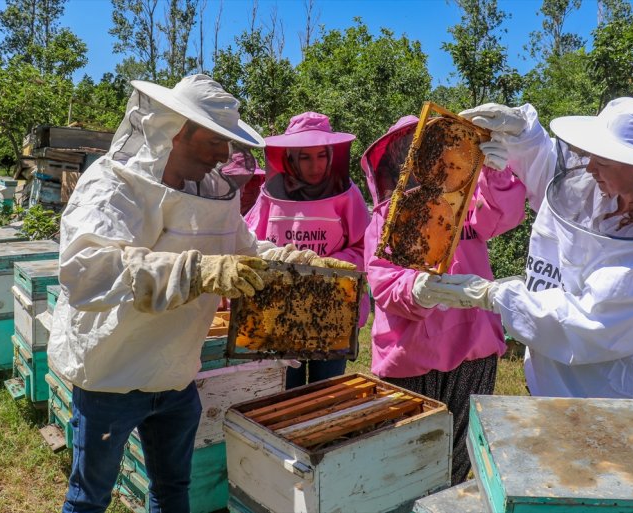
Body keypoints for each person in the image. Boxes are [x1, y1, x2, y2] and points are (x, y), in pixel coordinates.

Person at [47, 75, 351, 513]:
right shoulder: (113, 186)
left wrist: (298, 262)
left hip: (175, 372)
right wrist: (197, 270)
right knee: (89, 498)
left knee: (173, 490)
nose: (223, 155)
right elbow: (87, 270)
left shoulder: (212, 191)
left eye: (227, 142)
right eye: (214, 140)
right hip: (111, 374)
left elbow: (247, 250)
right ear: (175, 131)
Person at [422, 97, 633, 400]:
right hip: (548, 375)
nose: (589, 168)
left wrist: (494, 296)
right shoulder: (604, 186)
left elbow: (591, 323)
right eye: (591, 156)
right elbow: (551, 176)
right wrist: (523, 134)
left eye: (603, 162)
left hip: (610, 394)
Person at [362, 115, 526, 485]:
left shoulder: (468, 201)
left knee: (458, 457)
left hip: (472, 348)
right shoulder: (386, 216)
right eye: (413, 152)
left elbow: (504, 216)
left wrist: (496, 174)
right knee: (406, 461)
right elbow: (381, 278)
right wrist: (416, 288)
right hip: (411, 354)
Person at [245, 111, 371, 389]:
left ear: (331, 155)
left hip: (333, 308)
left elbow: (366, 246)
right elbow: (250, 241)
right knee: (282, 392)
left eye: (321, 155)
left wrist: (325, 264)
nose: (315, 165)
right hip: (282, 309)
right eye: (305, 157)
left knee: (326, 393)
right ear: (290, 158)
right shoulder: (270, 193)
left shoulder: (347, 193)